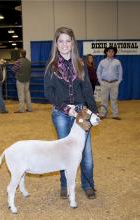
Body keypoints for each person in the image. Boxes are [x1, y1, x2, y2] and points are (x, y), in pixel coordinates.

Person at [44, 27, 98, 199]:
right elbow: (49, 92)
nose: (64, 44)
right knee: (64, 151)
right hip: (61, 112)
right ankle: (64, 184)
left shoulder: (80, 64)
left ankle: (88, 184)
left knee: (86, 151)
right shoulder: (51, 66)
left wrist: (93, 112)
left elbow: (87, 89)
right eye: (61, 41)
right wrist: (67, 109)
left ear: (73, 43)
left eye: (68, 41)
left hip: (82, 112)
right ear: (56, 43)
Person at [97, 46, 123, 120]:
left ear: (114, 53)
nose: (111, 53)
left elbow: (120, 72)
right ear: (106, 52)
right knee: (104, 99)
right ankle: (102, 114)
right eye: (109, 51)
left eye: (112, 51)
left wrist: (118, 82)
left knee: (114, 99)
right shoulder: (102, 62)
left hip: (114, 83)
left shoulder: (117, 62)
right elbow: (98, 71)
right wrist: (100, 81)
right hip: (104, 83)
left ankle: (115, 115)